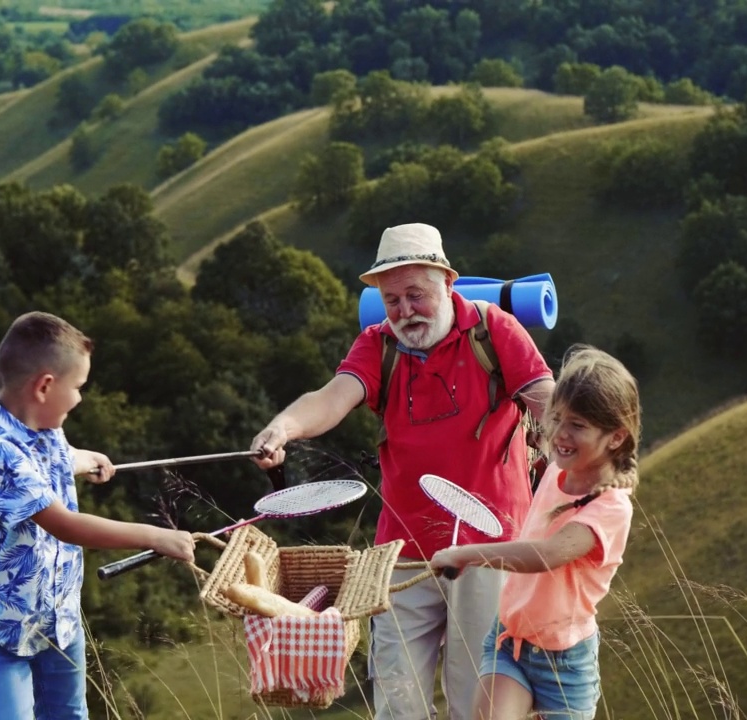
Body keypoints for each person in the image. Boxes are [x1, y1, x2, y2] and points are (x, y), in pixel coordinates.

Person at [250, 223, 555, 719]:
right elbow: (332, 398)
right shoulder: (378, 345)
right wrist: (283, 428)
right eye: (392, 301)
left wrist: (586, 464)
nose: (405, 311)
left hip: (489, 549)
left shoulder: (493, 331)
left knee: (474, 700)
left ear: (447, 282)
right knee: (396, 701)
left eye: (416, 295)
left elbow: (548, 402)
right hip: (402, 554)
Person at [0, 311, 196, 720]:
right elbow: (64, 524)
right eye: (79, 387)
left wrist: (85, 460)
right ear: (45, 386)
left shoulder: (45, 428)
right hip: (0, 633)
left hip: (58, 622)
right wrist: (153, 536)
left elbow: (55, 458)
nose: (81, 397)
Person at [429, 345, 640, 720]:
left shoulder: (611, 508)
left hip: (565, 665)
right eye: (556, 418)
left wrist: (465, 554)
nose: (560, 433)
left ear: (616, 437)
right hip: (510, 641)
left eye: (578, 425)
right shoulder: (557, 471)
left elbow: (544, 556)